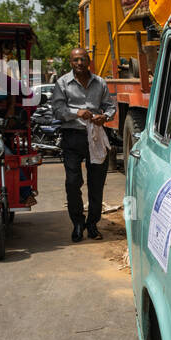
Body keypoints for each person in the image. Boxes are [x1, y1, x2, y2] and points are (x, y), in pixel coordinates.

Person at [50, 47, 116, 241]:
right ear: (71, 62)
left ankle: (92, 225)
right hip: (72, 137)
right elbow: (57, 109)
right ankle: (77, 223)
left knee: (96, 184)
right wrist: (75, 112)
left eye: (83, 59)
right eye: (76, 60)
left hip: (96, 137)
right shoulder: (62, 83)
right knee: (72, 183)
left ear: (89, 61)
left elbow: (110, 106)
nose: (79, 63)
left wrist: (104, 116)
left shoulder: (100, 82)